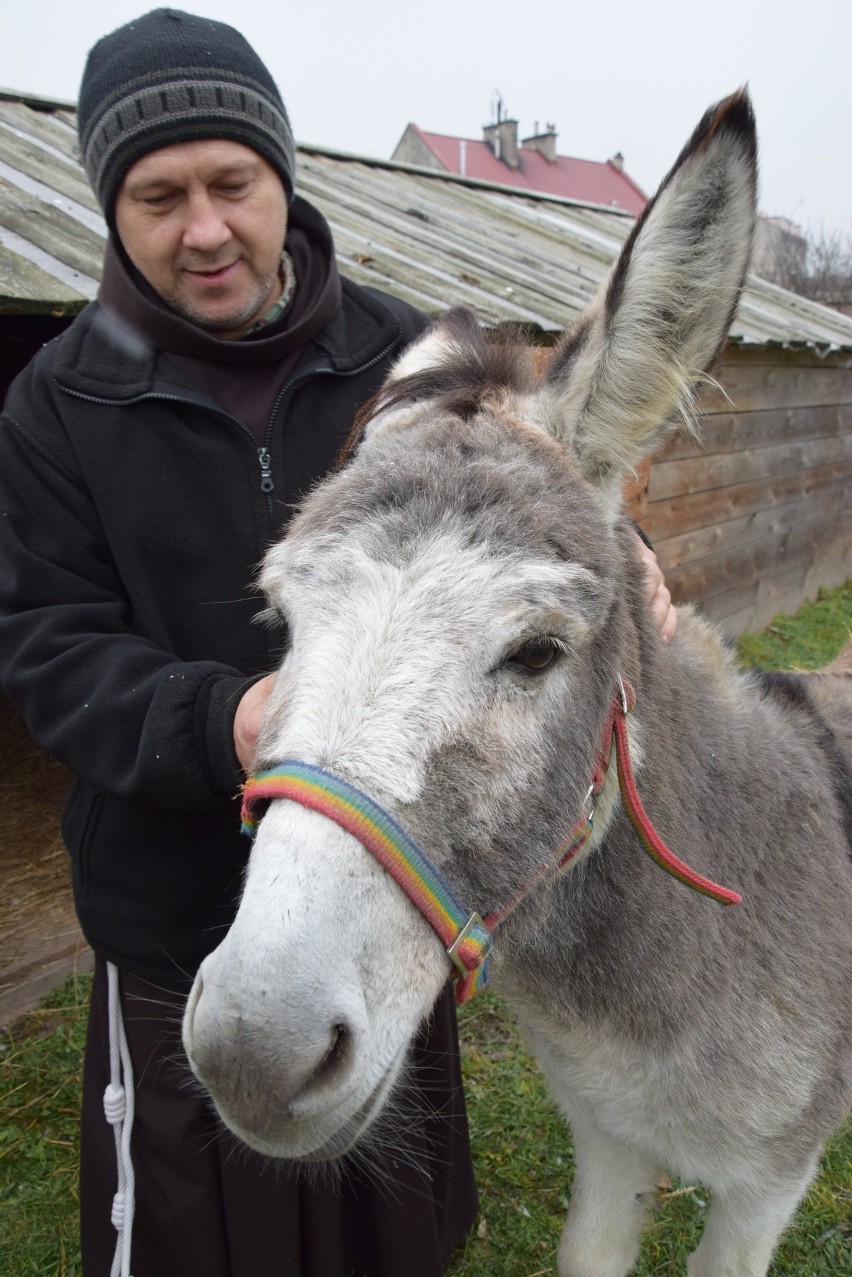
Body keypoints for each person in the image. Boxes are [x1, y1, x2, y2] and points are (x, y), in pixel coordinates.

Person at [0, 9, 675, 1276]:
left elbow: (536, 497)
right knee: (194, 1232)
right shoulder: (54, 405)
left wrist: (630, 561)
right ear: (110, 205)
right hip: (170, 903)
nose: (203, 228)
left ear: (280, 178)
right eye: (158, 195)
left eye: (230, 183)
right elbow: (47, 646)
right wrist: (229, 721)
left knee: (392, 1226)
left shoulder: (401, 354)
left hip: (381, 886)